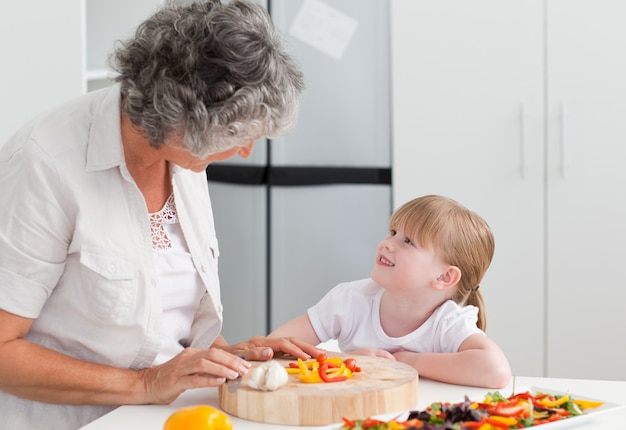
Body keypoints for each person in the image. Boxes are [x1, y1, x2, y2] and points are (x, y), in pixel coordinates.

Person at [0, 1, 321, 428]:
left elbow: (162, 321)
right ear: (181, 120)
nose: (246, 150)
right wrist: (144, 385)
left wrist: (228, 357)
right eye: (237, 135)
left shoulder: (185, 158)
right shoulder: (46, 164)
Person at [270, 195, 512, 389]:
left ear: (444, 277)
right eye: (393, 232)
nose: (387, 243)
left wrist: (406, 360)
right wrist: (348, 360)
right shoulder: (350, 301)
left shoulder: (447, 321)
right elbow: (272, 347)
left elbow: (496, 371)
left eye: (408, 242)